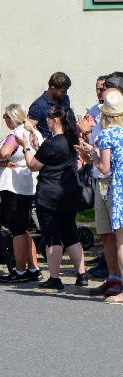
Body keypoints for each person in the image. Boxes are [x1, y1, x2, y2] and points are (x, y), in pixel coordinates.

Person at [17, 105, 86, 290]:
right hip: (70, 192)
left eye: (48, 117)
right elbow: (51, 157)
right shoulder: (72, 139)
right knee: (71, 233)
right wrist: (36, 146)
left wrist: (26, 147)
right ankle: (82, 275)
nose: (46, 120)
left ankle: (54, 278)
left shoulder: (52, 143)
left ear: (55, 119)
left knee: (53, 236)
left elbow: (33, 165)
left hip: (50, 194)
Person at [77, 75, 121, 296]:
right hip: (101, 176)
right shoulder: (97, 110)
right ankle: (113, 277)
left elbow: (105, 154)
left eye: (105, 88)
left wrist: (91, 152)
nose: (101, 92)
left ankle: (119, 281)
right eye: (100, 89)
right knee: (105, 232)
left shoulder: (115, 120)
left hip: (114, 179)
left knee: (118, 234)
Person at [0, 104, 44, 283]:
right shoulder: (34, 132)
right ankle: (34, 268)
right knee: (24, 228)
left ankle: (19, 271)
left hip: (13, 186)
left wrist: (2, 159)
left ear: (12, 118)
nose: (5, 121)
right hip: (29, 184)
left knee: (17, 231)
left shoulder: (15, 134)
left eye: (6, 117)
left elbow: (4, 153)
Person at [28, 72, 71, 139]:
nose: (65, 93)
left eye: (66, 90)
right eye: (62, 91)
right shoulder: (38, 106)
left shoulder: (65, 99)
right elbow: (28, 130)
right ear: (52, 88)